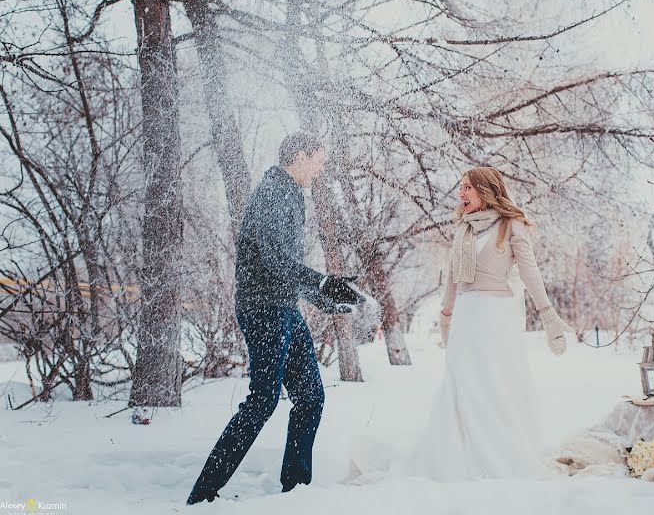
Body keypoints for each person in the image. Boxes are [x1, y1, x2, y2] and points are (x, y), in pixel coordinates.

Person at [187, 133, 364, 505]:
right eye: (318, 158)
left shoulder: (292, 193)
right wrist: (323, 283)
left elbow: (285, 268)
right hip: (264, 309)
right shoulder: (273, 192)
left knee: (311, 397)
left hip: (283, 307)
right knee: (262, 400)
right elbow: (273, 260)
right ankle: (203, 492)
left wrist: (323, 298)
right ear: (298, 156)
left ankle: (295, 491)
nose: (322, 167)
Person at [401, 166, 573, 480]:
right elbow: (453, 275)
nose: (461, 193)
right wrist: (446, 313)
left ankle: (498, 455)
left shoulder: (511, 225)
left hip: (495, 318)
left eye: (467, 187)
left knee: (490, 386)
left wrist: (548, 316)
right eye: (460, 187)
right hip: (467, 317)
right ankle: (454, 458)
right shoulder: (463, 228)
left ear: (486, 190)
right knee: (460, 385)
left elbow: (530, 273)